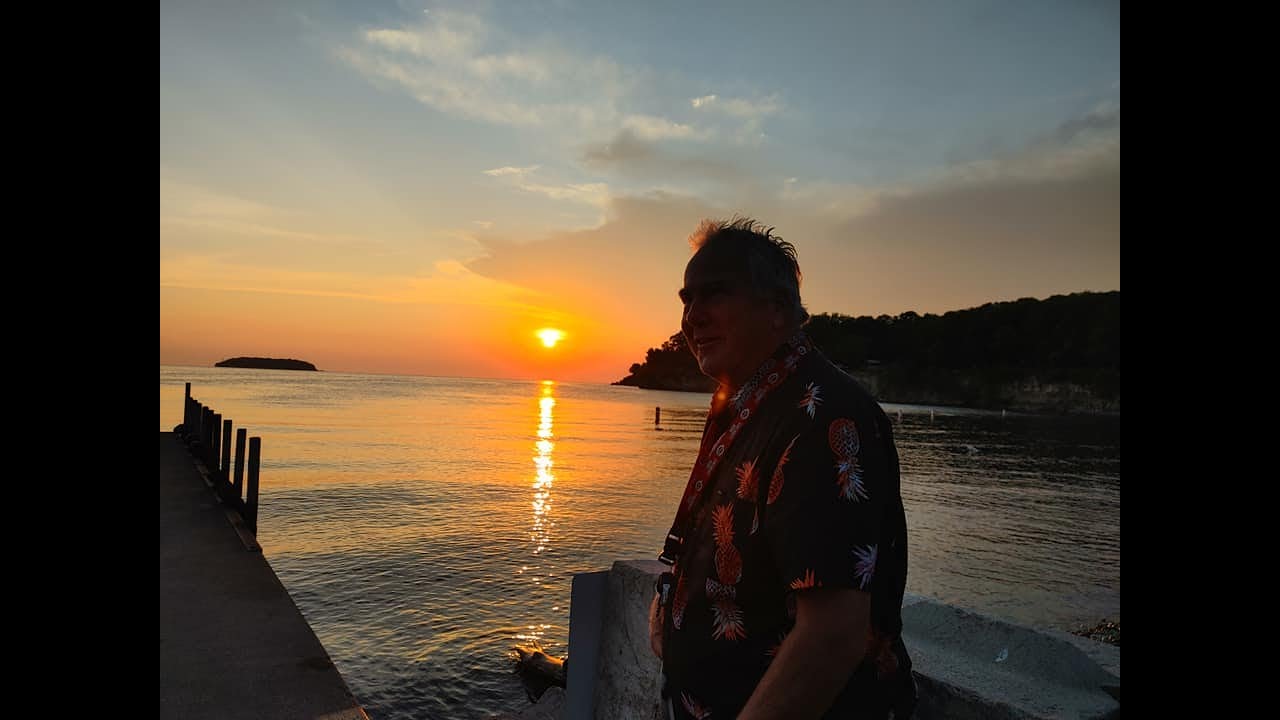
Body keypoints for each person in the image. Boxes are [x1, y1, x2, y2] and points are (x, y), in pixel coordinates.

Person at [648, 218, 916, 719]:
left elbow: (832, 635)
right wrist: (675, 598)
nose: (692, 316)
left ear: (777, 308)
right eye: (686, 299)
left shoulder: (821, 416)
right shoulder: (753, 402)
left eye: (714, 294)